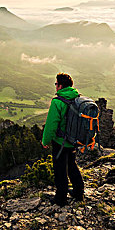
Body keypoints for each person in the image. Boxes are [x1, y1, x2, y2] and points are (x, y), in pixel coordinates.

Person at [42, 73, 84, 206]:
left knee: (60, 169)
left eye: (56, 84)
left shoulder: (58, 102)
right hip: (73, 141)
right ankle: (79, 192)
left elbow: (51, 125)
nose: (55, 86)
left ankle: (61, 198)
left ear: (60, 86)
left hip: (60, 142)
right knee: (72, 165)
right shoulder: (77, 98)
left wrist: (45, 141)